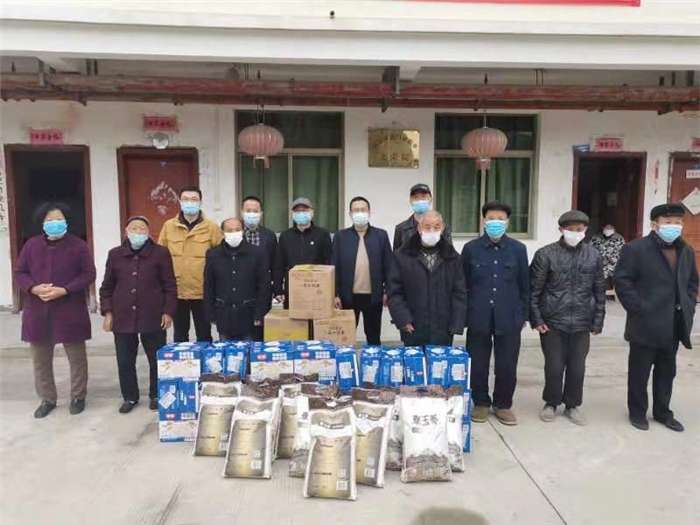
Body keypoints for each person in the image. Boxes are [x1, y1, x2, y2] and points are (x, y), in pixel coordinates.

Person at [614, 204, 698, 432]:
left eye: (677, 222)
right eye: (668, 222)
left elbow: (692, 282)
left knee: (667, 372)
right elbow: (622, 280)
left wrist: (689, 305)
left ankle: (663, 412)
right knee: (639, 373)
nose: (674, 226)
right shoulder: (635, 249)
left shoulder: (686, 250)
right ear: (655, 224)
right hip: (645, 323)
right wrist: (638, 308)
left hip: (674, 323)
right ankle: (637, 412)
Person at [14, 202, 96, 418]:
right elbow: (19, 272)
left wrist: (65, 290)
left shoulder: (78, 245)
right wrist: (33, 288)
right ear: (42, 223)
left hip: (70, 308)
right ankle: (47, 399)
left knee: (77, 358)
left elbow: (89, 274)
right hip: (37, 310)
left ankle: (78, 396)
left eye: (59, 219)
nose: (54, 223)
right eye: (49, 220)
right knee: (40, 360)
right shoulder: (31, 245)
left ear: (67, 221)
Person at [530, 210, 605, 426]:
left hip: (582, 321)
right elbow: (534, 290)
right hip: (553, 321)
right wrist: (537, 319)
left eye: (579, 229)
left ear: (585, 230)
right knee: (554, 367)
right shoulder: (546, 254)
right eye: (570, 229)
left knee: (577, 368)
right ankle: (551, 402)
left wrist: (598, 320)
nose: (575, 233)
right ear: (561, 230)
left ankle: (572, 405)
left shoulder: (594, 255)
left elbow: (599, 290)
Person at [461, 201, 530, 426]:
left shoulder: (518, 249)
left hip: (509, 317)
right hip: (478, 315)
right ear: (483, 220)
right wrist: (464, 315)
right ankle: (480, 402)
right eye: (491, 218)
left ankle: (503, 405)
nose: (495, 223)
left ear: (508, 222)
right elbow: (462, 284)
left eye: (501, 219)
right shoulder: (471, 249)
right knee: (478, 364)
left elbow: (525, 286)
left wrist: (523, 315)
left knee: (507, 365)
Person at [100, 216, 178, 414]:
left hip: (153, 314)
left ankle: (156, 395)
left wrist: (168, 311)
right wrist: (108, 312)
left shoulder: (160, 253)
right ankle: (130, 396)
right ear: (126, 231)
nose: (138, 232)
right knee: (125, 360)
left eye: (142, 228)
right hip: (123, 315)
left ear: (148, 232)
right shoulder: (115, 254)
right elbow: (107, 286)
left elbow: (170, 285)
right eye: (134, 228)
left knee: (156, 358)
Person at [388, 210, 466, 346]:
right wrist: (403, 319)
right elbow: (394, 292)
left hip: (443, 328)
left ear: (442, 228)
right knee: (414, 360)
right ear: (419, 228)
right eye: (427, 227)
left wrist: (456, 323)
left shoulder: (453, 258)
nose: (432, 231)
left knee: (441, 360)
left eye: (436, 227)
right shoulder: (402, 256)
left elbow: (459, 293)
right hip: (413, 327)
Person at [158, 186, 222, 343]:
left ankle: (204, 359)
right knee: (180, 334)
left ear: (200, 202)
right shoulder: (169, 226)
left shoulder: (211, 227)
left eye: (194, 199)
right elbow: (160, 256)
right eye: (185, 199)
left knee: (204, 334)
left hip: (203, 291)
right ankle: (183, 359)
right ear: (180, 201)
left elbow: (221, 258)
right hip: (178, 290)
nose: (189, 203)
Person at [331, 197, 393, 345]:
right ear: (350, 214)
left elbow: (389, 266)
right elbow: (334, 266)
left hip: (374, 296)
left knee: (373, 336)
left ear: (369, 212)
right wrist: (334, 294)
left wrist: (388, 291)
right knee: (345, 338)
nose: (360, 213)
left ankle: (374, 359)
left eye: (363, 210)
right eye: (356, 210)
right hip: (347, 297)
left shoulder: (381, 235)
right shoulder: (341, 236)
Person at [204, 218, 272, 340]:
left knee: (250, 350)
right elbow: (209, 286)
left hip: (249, 317)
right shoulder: (213, 254)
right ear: (222, 232)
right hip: (224, 317)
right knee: (227, 351)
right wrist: (211, 314)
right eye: (229, 230)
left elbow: (264, 286)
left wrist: (260, 314)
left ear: (243, 231)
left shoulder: (257, 253)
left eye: (237, 230)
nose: (234, 233)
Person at [273, 198, 332, 307]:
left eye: (304, 210)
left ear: (312, 212)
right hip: (292, 291)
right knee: (293, 318)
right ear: (292, 214)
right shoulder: (285, 236)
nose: (301, 213)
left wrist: (332, 291)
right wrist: (278, 290)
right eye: (297, 211)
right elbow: (279, 265)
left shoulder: (322, 235)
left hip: (317, 290)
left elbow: (329, 263)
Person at [241, 196, 277, 341]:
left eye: (255, 211)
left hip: (261, 292)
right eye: (248, 210)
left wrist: (276, 288)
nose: (252, 214)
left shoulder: (269, 236)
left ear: (261, 213)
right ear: (241, 212)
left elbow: (275, 264)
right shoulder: (234, 234)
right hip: (238, 292)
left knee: (259, 335)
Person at [393, 183, 452, 252]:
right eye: (416, 197)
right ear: (410, 201)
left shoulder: (443, 228)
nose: (420, 201)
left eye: (423, 197)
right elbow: (396, 256)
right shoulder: (401, 229)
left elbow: (449, 254)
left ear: (430, 199)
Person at [591, 224, 626, 290]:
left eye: (610, 228)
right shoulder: (595, 238)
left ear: (614, 230)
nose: (608, 230)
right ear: (603, 229)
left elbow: (623, 253)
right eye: (606, 228)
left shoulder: (619, 238)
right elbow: (590, 251)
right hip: (598, 264)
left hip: (614, 265)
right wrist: (600, 261)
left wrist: (611, 260)